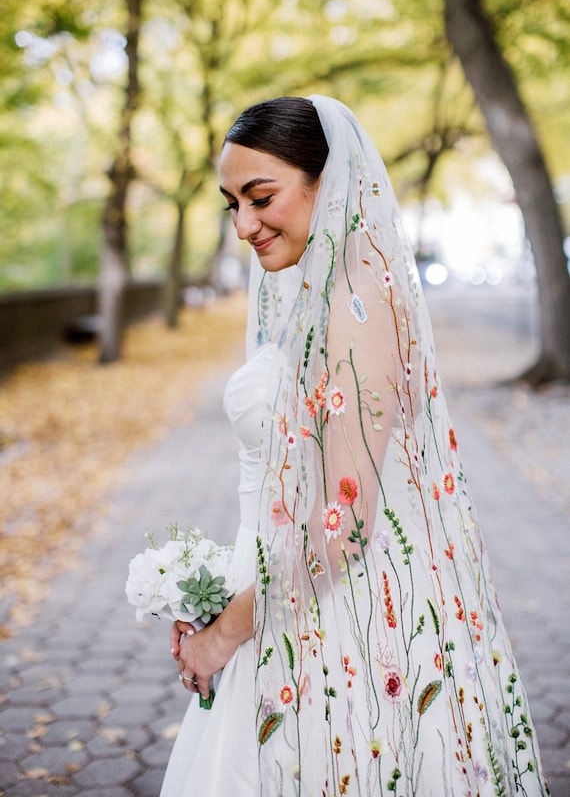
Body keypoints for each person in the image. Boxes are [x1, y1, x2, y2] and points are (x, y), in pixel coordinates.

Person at [160, 96, 549, 796]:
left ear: (326, 180)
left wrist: (224, 635)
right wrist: (218, 590)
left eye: (262, 197)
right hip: (283, 581)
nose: (245, 225)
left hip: (341, 605)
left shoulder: (354, 298)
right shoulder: (307, 292)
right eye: (232, 204)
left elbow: (343, 524)